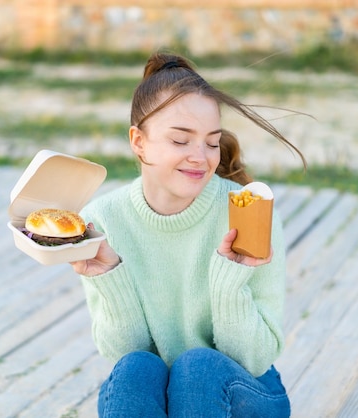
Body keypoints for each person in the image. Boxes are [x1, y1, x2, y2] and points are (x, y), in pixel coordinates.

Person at [70, 51, 306, 417]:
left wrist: (230, 282)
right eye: (181, 141)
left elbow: (255, 358)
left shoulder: (247, 209)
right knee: (135, 370)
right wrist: (110, 276)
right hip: (160, 397)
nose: (201, 156)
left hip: (244, 392)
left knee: (197, 370)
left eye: (212, 142)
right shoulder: (101, 220)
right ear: (139, 141)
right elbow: (124, 354)